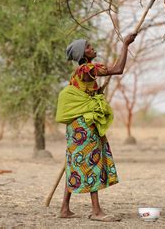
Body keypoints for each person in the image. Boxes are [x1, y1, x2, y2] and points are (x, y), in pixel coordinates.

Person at [55, 33, 137, 222]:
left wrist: (97, 92)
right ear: (83, 53)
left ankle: (64, 209)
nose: (93, 48)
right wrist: (125, 45)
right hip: (84, 124)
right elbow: (118, 69)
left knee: (74, 163)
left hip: (76, 125)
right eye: (89, 47)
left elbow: (86, 92)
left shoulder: (81, 73)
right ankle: (96, 211)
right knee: (92, 162)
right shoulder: (86, 69)